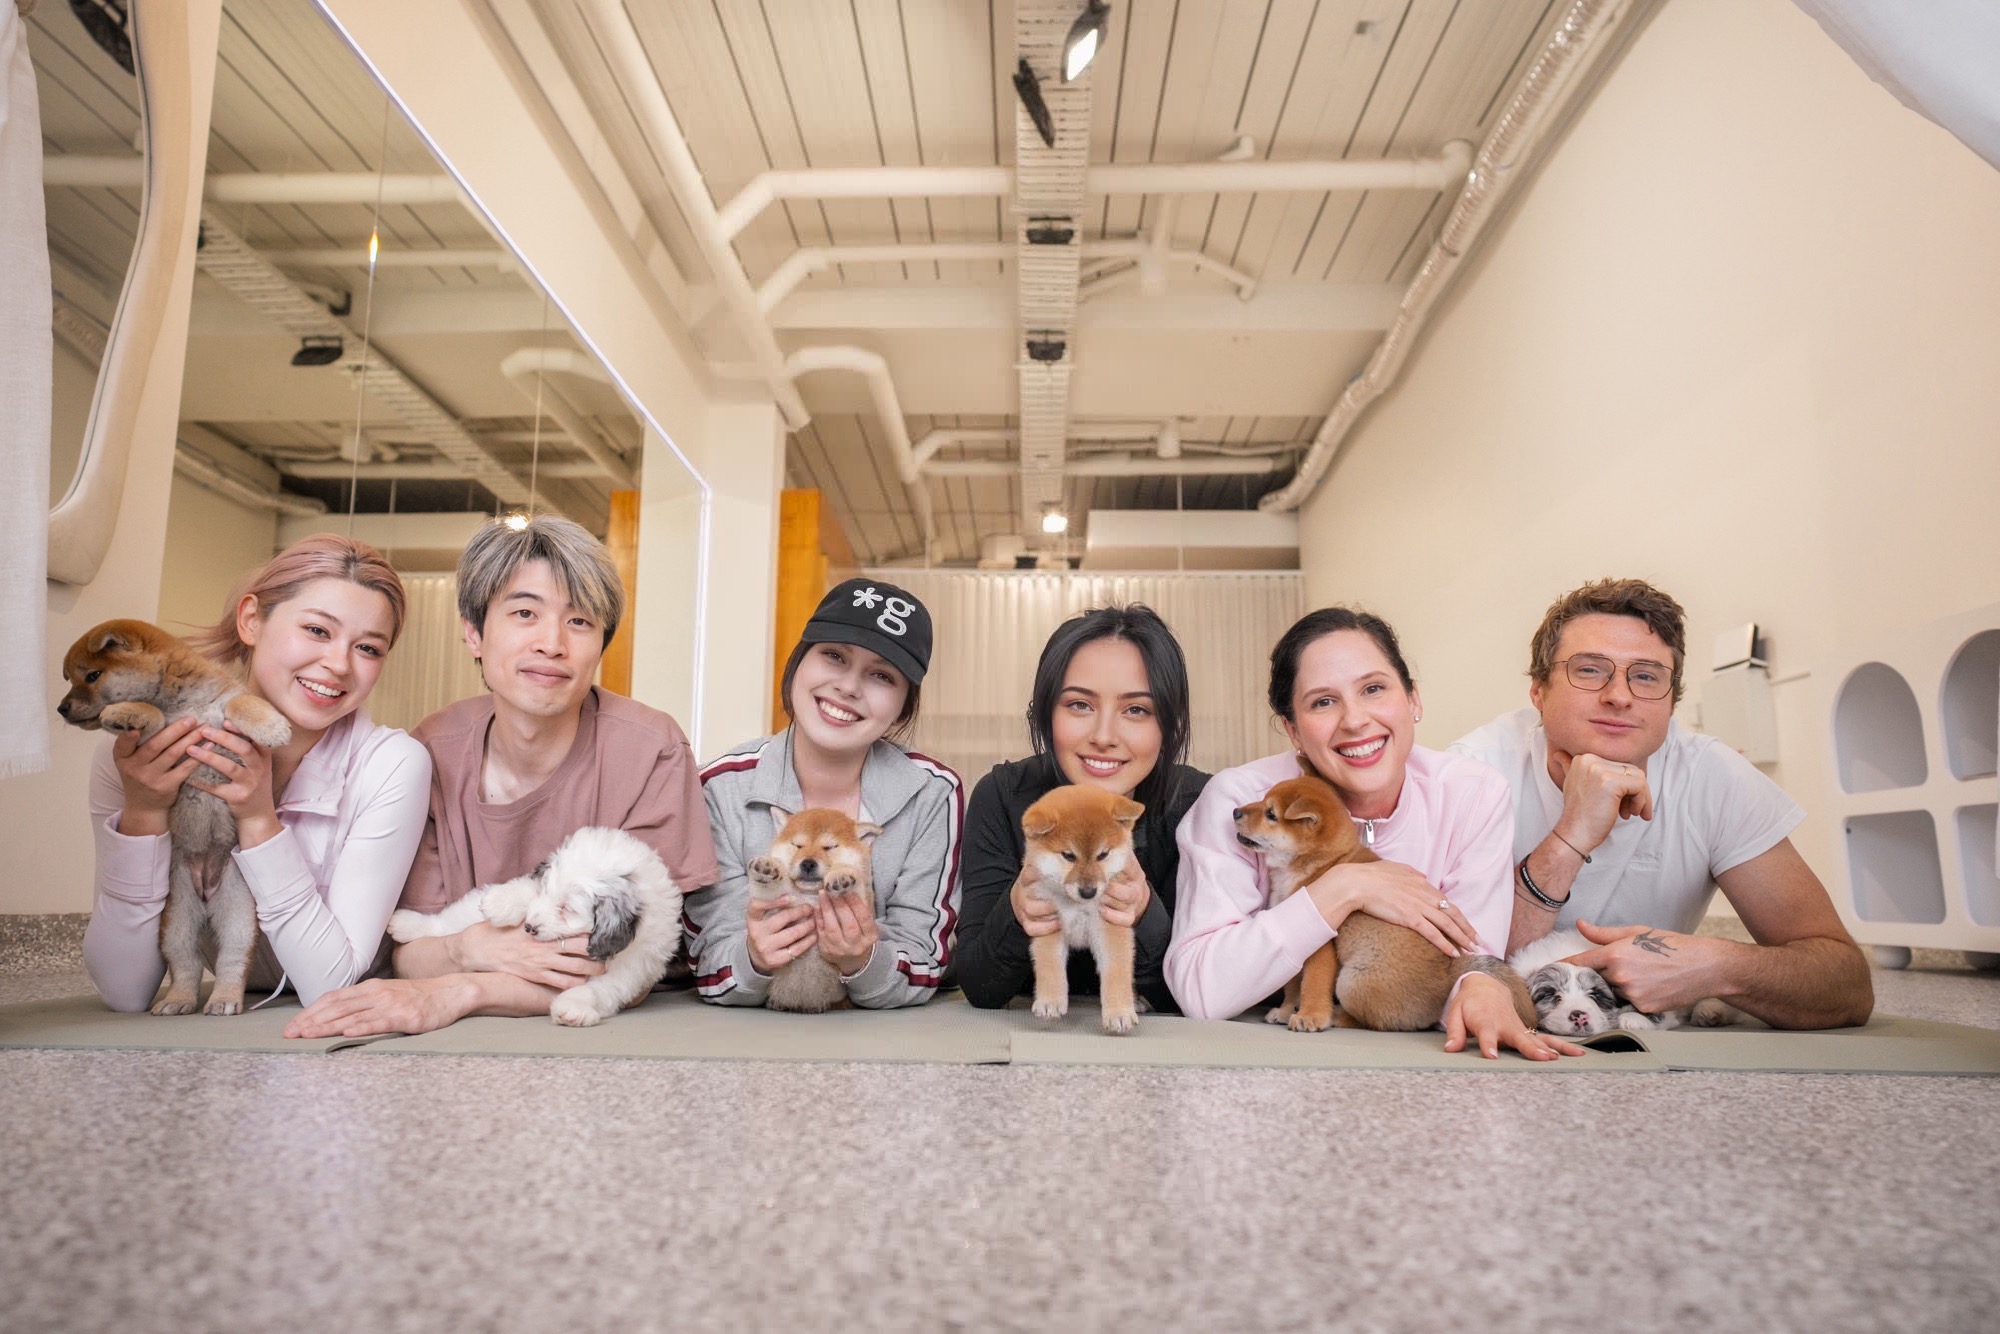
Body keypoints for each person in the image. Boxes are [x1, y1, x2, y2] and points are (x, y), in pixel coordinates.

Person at [284, 515, 717, 1038]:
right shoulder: (430, 752)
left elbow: (621, 964)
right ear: (474, 634)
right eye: (525, 613)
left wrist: (462, 989)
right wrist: (467, 948)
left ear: (601, 645)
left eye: (580, 621)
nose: (552, 643)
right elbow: (409, 951)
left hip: (611, 1036)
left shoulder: (650, 749)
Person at [1451, 577, 1872, 1029]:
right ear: (1539, 690)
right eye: (1589, 670)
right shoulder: (1472, 773)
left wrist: (1717, 967)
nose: (1619, 696)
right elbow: (1452, 971)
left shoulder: (1713, 779)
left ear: (1671, 704)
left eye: (1646, 676)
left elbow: (1846, 986)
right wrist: (1571, 836)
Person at [1166, 607, 1582, 1060]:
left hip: (1412, 1058)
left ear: (1413, 700)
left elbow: (1467, 963)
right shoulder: (1239, 799)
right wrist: (1348, 885)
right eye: (1322, 702)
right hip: (1264, 1057)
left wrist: (1482, 991)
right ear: (1293, 730)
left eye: (1373, 689)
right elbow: (1202, 991)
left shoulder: (1471, 794)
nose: (1355, 720)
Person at [83, 536, 430, 1011]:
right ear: (250, 620)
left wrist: (258, 820)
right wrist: (144, 813)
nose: (338, 665)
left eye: (369, 648)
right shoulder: (140, 757)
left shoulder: (392, 765)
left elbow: (331, 986)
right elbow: (123, 991)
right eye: (317, 630)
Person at [685, 577, 961, 1009]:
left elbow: (924, 959)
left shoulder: (933, 793)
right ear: (798, 662)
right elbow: (710, 959)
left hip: (887, 1039)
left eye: (882, 675)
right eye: (834, 655)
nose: (848, 687)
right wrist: (753, 957)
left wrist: (864, 961)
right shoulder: (720, 788)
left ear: (903, 707)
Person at [956, 605, 1208, 1014]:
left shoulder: (1197, 803)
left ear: (1169, 724)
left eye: (1137, 710)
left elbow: (1207, 990)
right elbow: (979, 987)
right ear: (1045, 711)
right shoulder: (1004, 796)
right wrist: (1017, 910)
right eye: (1079, 705)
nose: (1104, 736)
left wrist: (1144, 913)